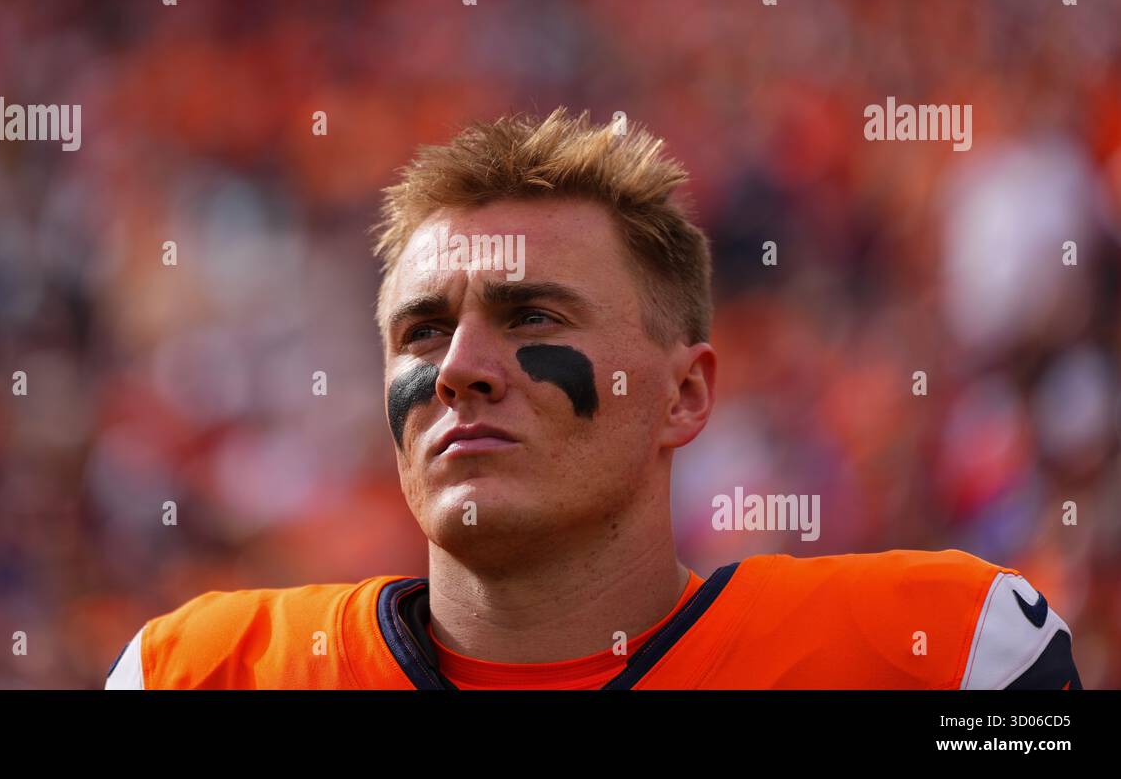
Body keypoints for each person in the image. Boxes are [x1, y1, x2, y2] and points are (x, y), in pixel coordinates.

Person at [106, 107, 1082, 689]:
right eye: (422, 330)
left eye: (532, 317)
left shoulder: (941, 651)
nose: (460, 368)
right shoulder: (196, 669)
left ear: (684, 394)